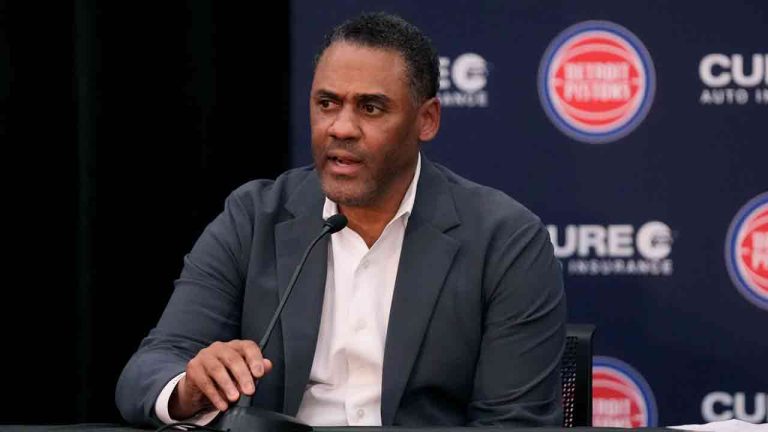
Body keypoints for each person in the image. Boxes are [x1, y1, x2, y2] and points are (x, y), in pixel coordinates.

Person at [115, 12, 566, 428]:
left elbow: (513, 423)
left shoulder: (504, 239)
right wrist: (189, 390)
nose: (341, 128)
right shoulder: (253, 218)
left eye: (370, 108)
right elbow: (150, 369)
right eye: (327, 103)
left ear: (426, 120)